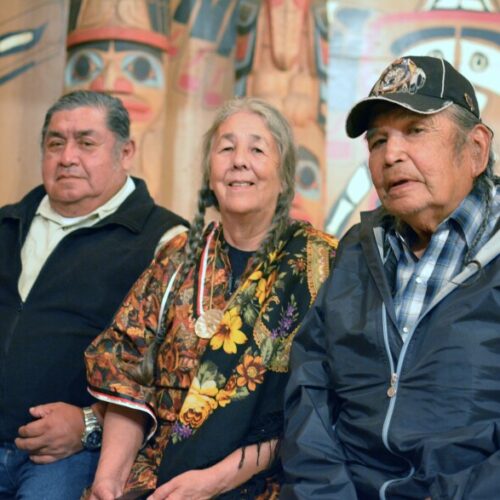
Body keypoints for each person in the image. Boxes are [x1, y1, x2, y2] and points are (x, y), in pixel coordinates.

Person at [83, 97, 337, 499]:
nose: (239, 161)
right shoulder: (176, 257)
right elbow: (127, 372)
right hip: (159, 471)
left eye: (257, 149)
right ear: (209, 174)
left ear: (285, 176)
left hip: (264, 479)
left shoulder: (319, 263)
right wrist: (109, 481)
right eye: (226, 148)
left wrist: (212, 482)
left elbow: (319, 406)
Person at [281, 55, 499, 499]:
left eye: (415, 131)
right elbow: (310, 389)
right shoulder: (358, 251)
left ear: (475, 149)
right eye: (378, 140)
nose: (391, 154)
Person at [0, 90, 188, 500]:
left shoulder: (166, 241)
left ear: (126, 153)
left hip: (71, 457)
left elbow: (176, 375)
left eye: (86, 143)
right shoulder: (6, 223)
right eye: (55, 143)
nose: (67, 157)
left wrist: (89, 423)